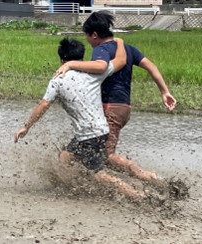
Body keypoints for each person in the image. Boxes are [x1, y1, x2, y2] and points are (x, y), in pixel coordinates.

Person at [14, 36, 156, 200]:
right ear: (82, 58)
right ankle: (75, 186)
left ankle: (138, 196)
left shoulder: (58, 80)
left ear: (61, 59)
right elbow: (121, 60)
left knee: (99, 174)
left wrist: (26, 126)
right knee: (65, 156)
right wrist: (120, 42)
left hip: (88, 135)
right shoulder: (94, 74)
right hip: (102, 130)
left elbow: (44, 105)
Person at [60, 11, 178, 175]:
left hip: (110, 108)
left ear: (94, 35)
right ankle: (76, 179)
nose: (87, 40)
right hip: (123, 108)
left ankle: (149, 178)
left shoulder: (101, 49)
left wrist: (71, 64)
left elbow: (101, 66)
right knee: (84, 149)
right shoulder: (128, 49)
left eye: (87, 36)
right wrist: (165, 92)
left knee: (107, 155)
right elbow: (151, 66)